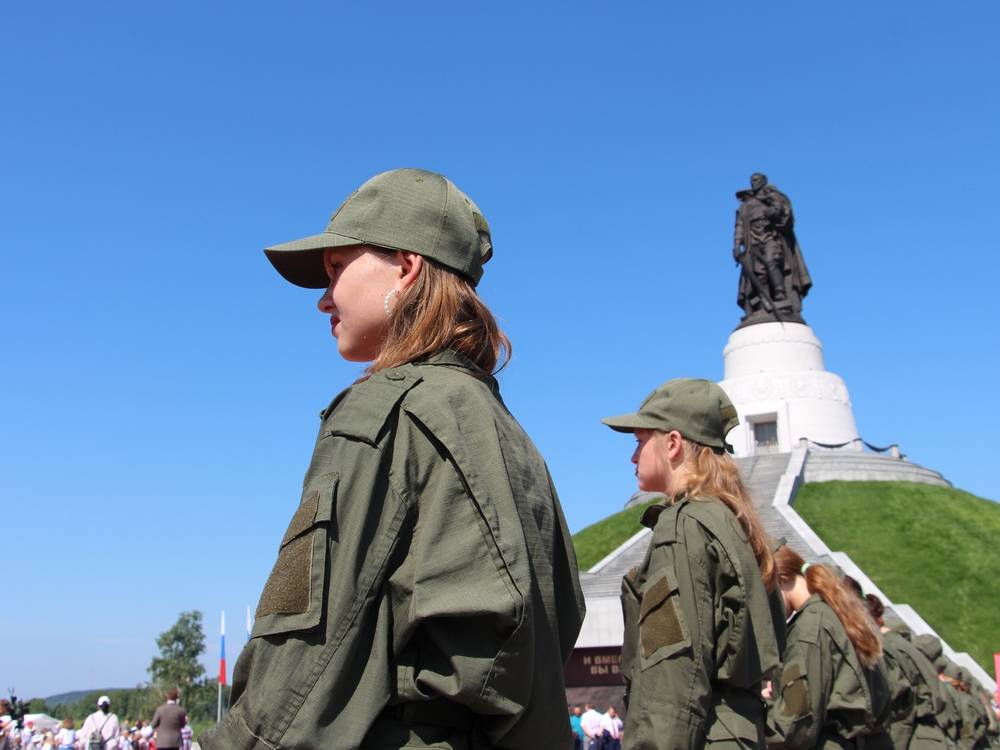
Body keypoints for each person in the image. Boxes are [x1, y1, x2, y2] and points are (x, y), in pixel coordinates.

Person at [201, 168, 586, 750]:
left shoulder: (384, 410)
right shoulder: (508, 434)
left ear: (406, 268)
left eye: (337, 268)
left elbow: (300, 665)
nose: (323, 300)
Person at [602, 378, 781, 749]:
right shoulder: (734, 522)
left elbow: (674, 673)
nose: (633, 457)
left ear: (672, 443)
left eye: (640, 442)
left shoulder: (683, 525)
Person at [766, 546, 891, 749]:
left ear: (781, 579)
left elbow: (793, 727)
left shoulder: (810, 627)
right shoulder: (836, 610)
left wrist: (765, 706)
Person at [732, 172, 811, 321]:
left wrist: (773, 213)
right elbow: (739, 226)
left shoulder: (773, 197)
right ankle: (764, 302)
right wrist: (736, 246)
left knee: (772, 262)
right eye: (751, 180)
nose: (753, 182)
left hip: (771, 238)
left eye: (756, 180)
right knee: (759, 273)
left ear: (763, 181)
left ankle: (780, 295)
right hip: (753, 244)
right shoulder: (745, 206)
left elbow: (785, 214)